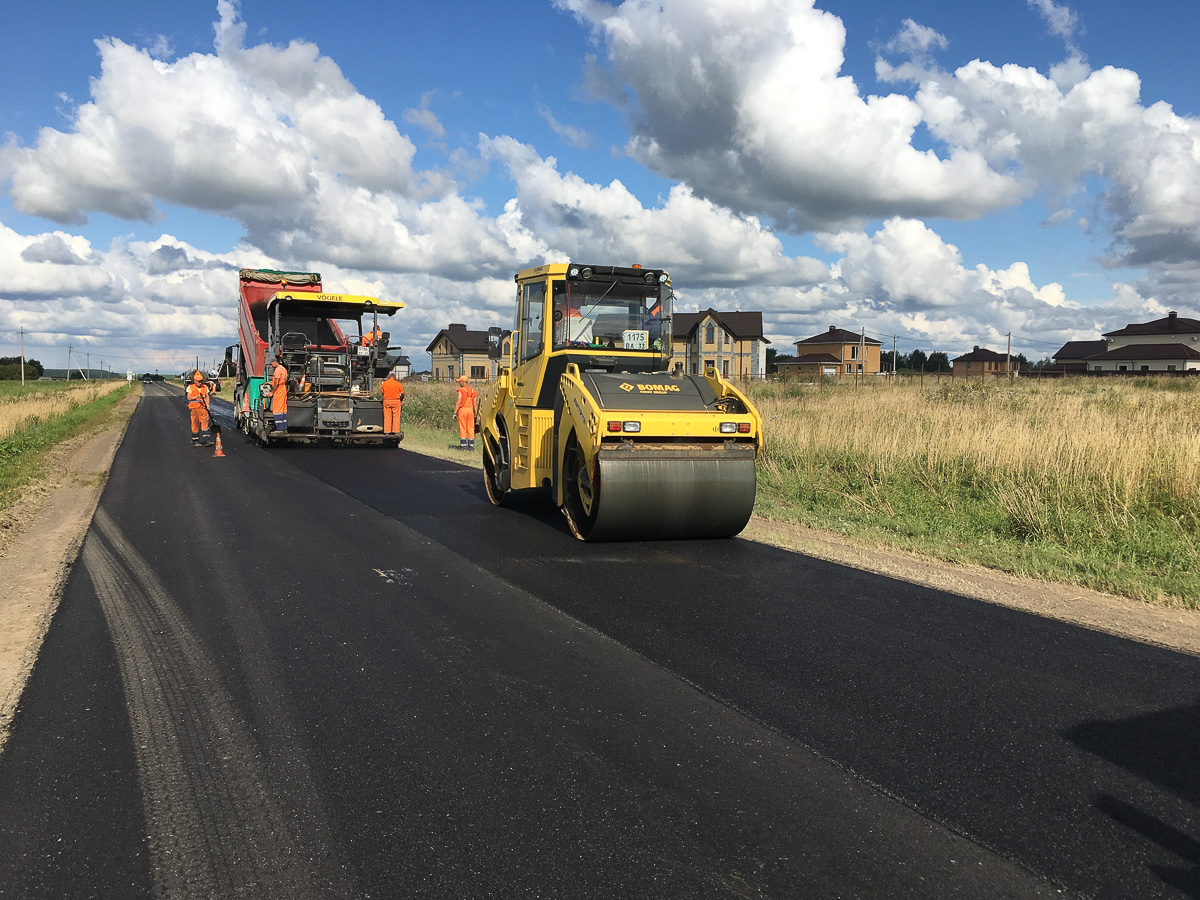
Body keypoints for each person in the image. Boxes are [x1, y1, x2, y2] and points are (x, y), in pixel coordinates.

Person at [186, 370, 212, 446]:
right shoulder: (190, 387)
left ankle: (207, 440)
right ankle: (195, 441)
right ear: (194, 381)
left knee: (205, 424)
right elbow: (189, 397)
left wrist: (207, 405)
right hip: (195, 409)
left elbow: (207, 397)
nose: (200, 383)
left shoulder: (205, 387)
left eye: (201, 381)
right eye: (198, 381)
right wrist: (197, 397)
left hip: (203, 408)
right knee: (195, 424)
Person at [454, 374, 478, 451]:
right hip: (470, 411)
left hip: (462, 410)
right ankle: (471, 447)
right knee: (471, 428)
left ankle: (463, 446)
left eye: (460, 381)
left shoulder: (461, 391)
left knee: (462, 427)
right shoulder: (473, 391)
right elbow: (475, 404)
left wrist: (455, 412)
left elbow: (458, 401)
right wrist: (476, 414)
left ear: (463, 382)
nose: (459, 383)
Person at [380, 370, 405, 442]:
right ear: (394, 376)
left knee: (387, 416)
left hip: (387, 401)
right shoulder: (398, 384)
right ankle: (395, 431)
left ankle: (387, 431)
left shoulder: (384, 384)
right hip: (396, 401)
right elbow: (402, 393)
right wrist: (401, 399)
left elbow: (382, 392)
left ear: (388, 376)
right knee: (396, 416)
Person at [269, 357, 289, 432]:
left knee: (277, 409)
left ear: (274, 362)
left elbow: (277, 383)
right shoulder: (283, 369)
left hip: (279, 390)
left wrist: (272, 392)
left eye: (271, 364)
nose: (271, 366)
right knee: (283, 409)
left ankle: (279, 429)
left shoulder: (277, 370)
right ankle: (284, 428)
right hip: (283, 389)